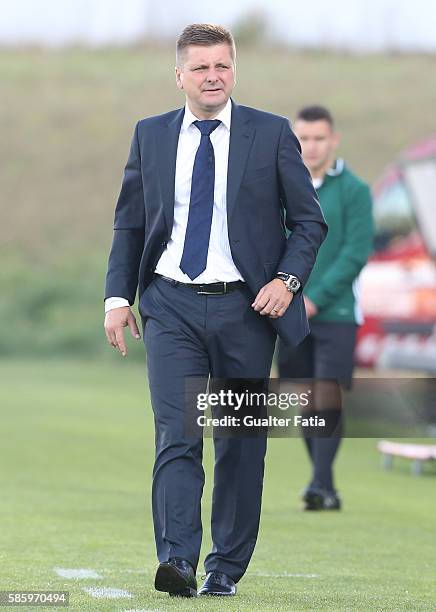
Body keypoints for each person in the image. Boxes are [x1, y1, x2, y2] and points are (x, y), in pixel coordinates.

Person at [104, 24, 327, 597]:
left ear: (234, 71)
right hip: (170, 304)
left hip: (246, 310)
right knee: (178, 434)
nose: (212, 77)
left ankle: (224, 567)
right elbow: (131, 222)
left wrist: (287, 279)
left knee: (237, 444)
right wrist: (117, 297)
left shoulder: (271, 133)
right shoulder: (149, 135)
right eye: (201, 67)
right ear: (179, 75)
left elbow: (308, 221)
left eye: (222, 66)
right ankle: (177, 559)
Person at [278, 105, 374, 511]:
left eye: (319, 138)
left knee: (327, 395)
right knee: (305, 397)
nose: (311, 147)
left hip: (335, 316)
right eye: (304, 139)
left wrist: (316, 298)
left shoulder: (355, 190)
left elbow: (355, 253)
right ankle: (325, 485)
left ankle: (318, 483)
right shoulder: (282, 187)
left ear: (333, 140)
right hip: (291, 311)